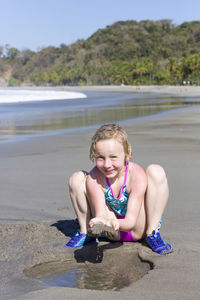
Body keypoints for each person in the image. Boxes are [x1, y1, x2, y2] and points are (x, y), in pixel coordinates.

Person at [66, 124, 173, 255]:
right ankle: (85, 232)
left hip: (137, 230)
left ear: (127, 154)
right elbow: (101, 213)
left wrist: (111, 222)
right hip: (111, 232)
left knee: (156, 171)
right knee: (77, 178)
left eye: (113, 157)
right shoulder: (94, 178)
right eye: (100, 157)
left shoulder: (135, 175)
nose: (107, 165)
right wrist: (101, 221)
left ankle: (153, 234)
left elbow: (130, 222)